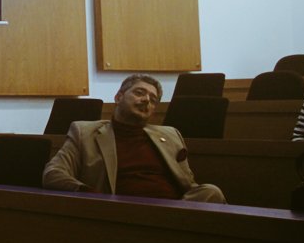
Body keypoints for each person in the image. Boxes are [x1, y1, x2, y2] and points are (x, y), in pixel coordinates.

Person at [43, 73, 225, 202]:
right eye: (139, 93)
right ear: (118, 97)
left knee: (211, 192)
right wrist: (89, 193)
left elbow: (188, 184)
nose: (146, 100)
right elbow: (53, 174)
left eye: (153, 99)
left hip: (174, 208)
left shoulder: (171, 135)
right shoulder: (84, 132)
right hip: (122, 208)